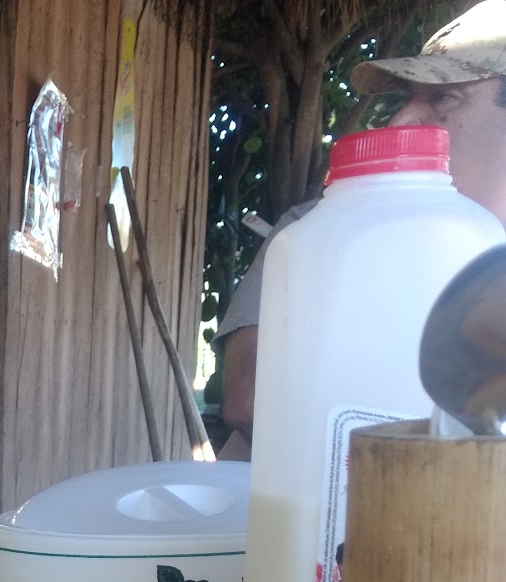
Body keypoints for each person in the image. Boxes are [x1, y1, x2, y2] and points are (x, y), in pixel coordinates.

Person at [216, 0, 506, 459]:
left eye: (443, 97)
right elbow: (249, 398)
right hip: (278, 499)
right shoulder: (317, 230)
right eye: (406, 98)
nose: (399, 120)